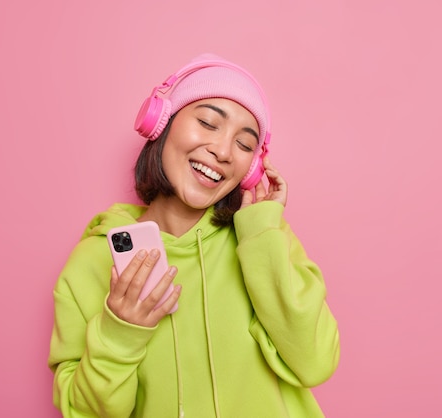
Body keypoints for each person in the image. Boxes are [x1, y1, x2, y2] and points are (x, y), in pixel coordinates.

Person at [48, 53, 340, 418]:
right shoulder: (93, 261)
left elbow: (315, 362)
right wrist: (120, 331)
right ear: (161, 124)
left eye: (245, 144)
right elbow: (83, 412)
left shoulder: (263, 240)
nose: (222, 151)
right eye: (207, 122)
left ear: (251, 170)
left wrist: (262, 232)